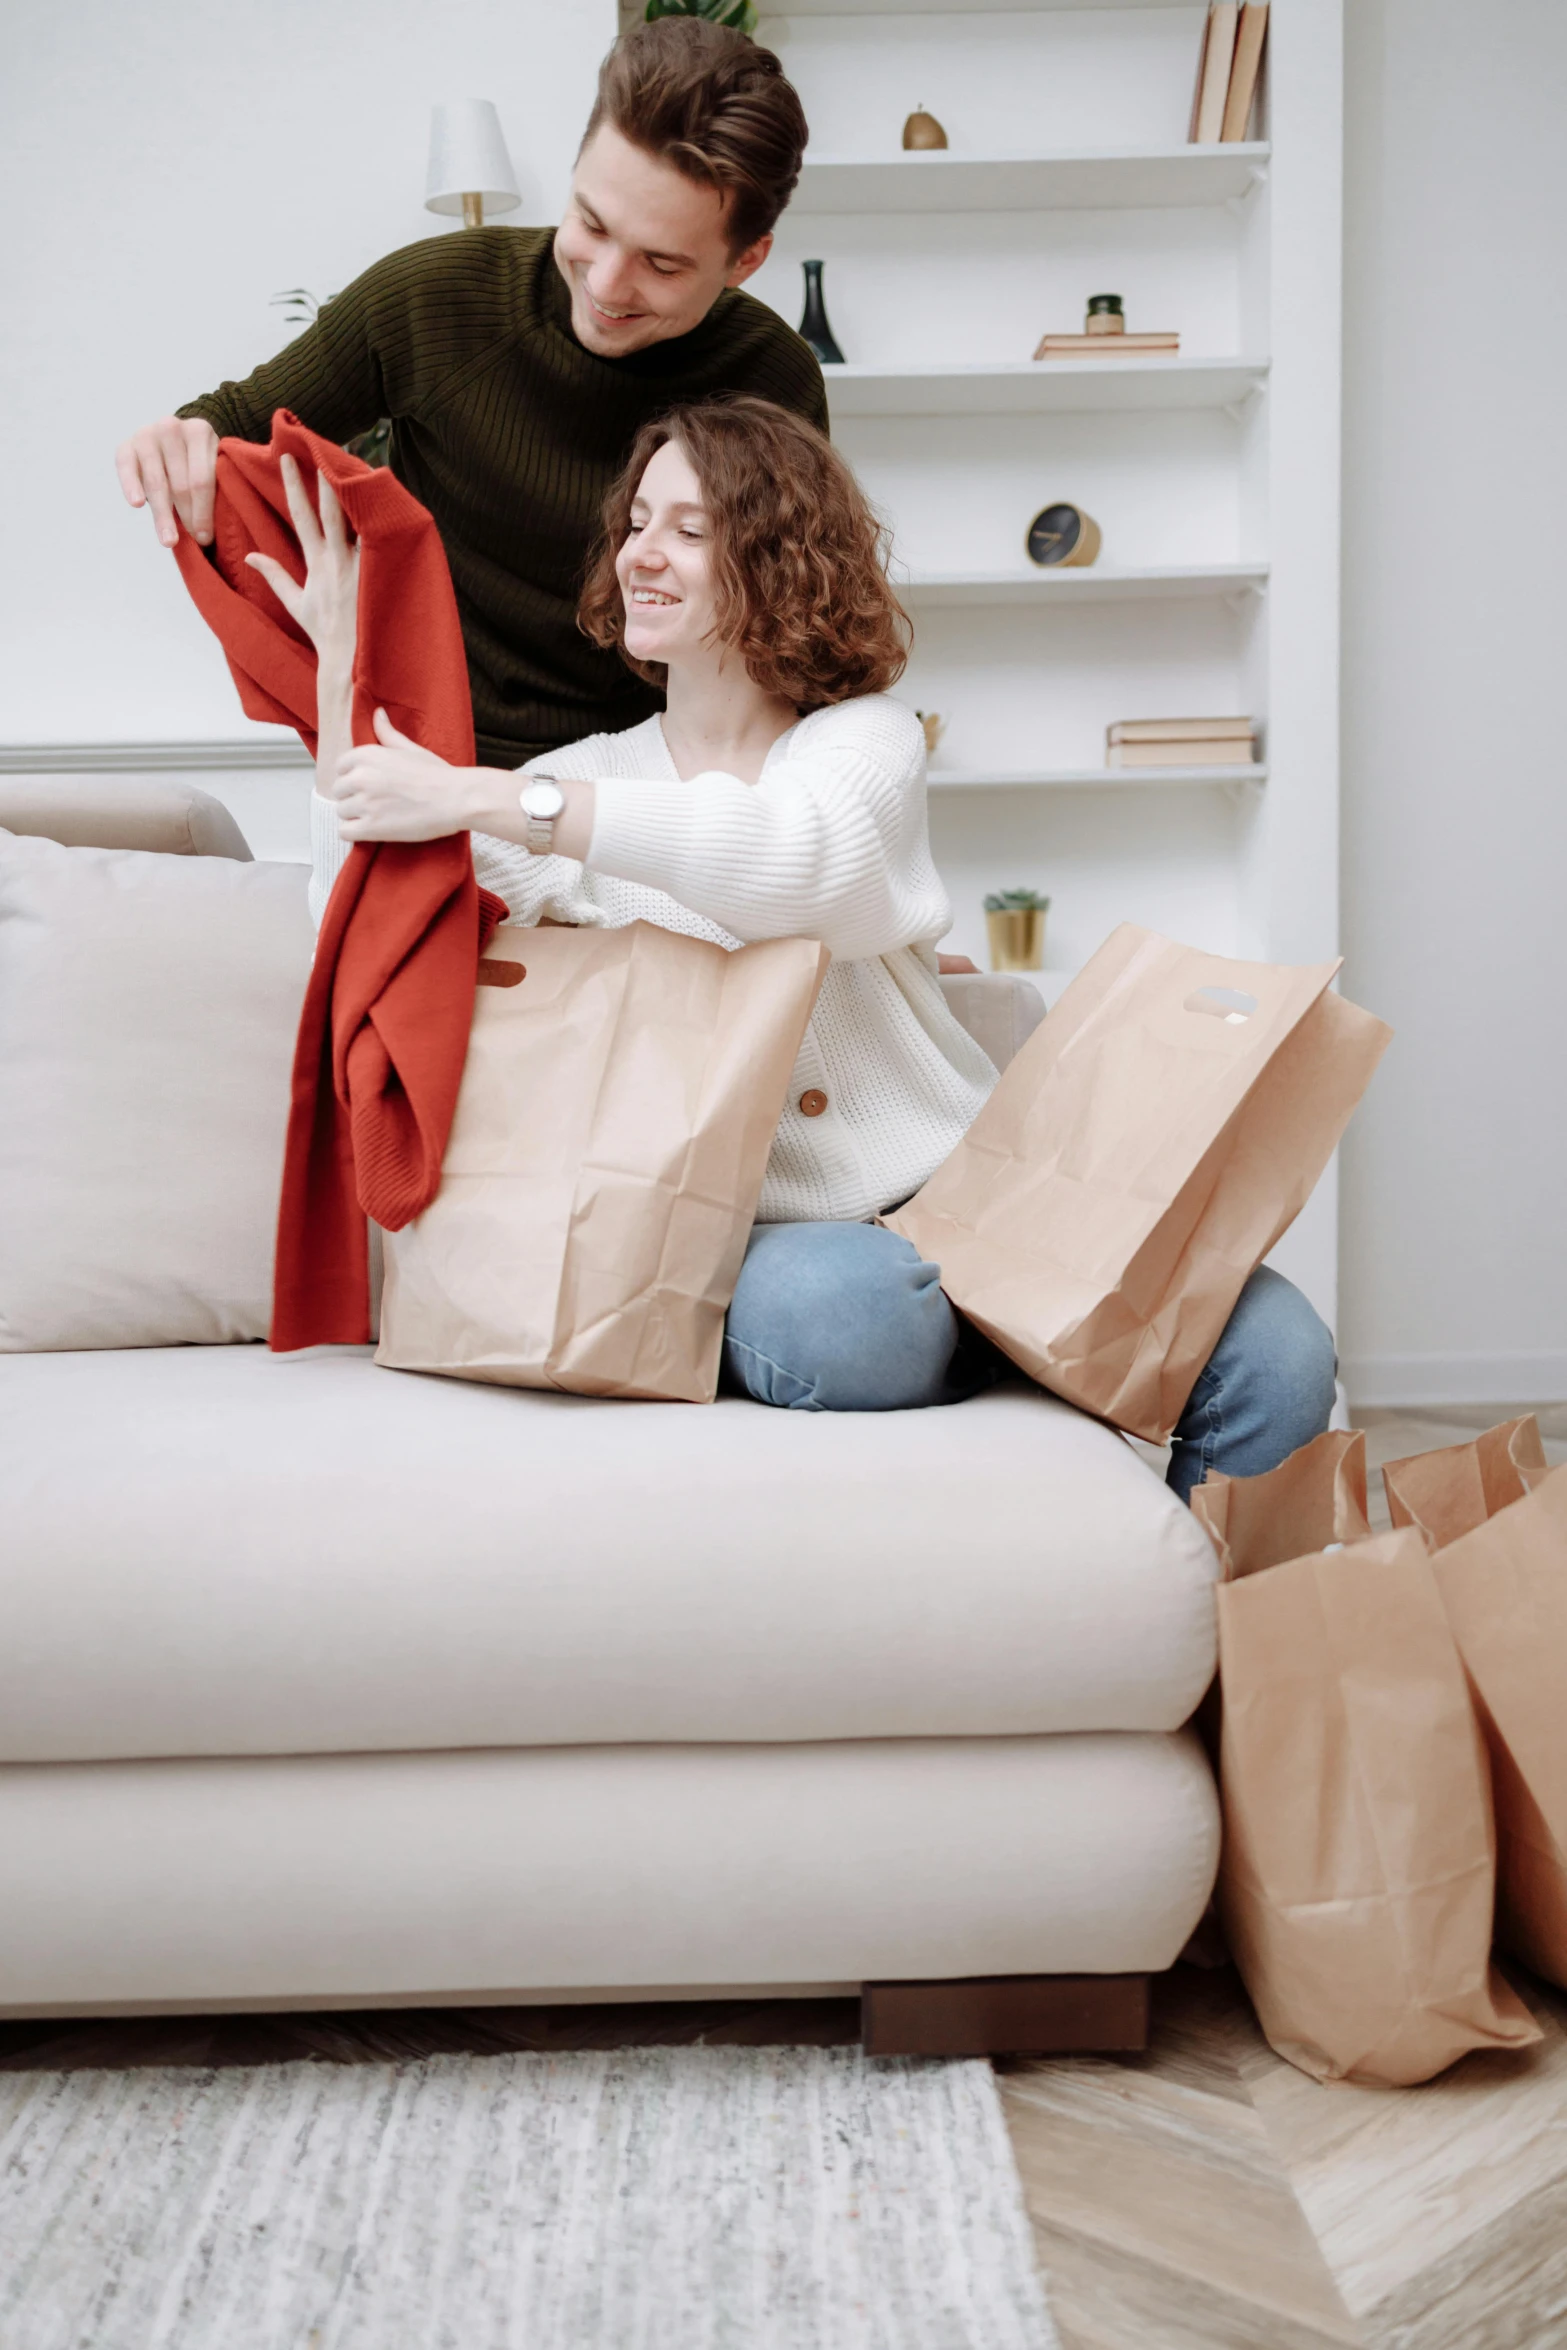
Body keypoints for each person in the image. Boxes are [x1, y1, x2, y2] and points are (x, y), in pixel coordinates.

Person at [251, 394, 1337, 1504]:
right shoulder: (591, 779)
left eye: (688, 529)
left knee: (1278, 1349)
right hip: (780, 1241)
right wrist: (343, 677)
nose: (640, 555)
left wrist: (493, 796)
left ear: (775, 557)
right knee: (844, 1322)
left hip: (973, 1193)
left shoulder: (861, 744)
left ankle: (1211, 1646)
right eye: (635, 523)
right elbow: (359, 916)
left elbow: (796, 863)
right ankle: (1021, 1343)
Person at [114, 18, 824, 770]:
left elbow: (783, 618)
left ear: (744, 261)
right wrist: (180, 440)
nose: (607, 284)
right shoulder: (431, 296)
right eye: (590, 222)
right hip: (426, 758)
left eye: (662, 262)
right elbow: (230, 428)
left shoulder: (772, 378)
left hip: (651, 772)